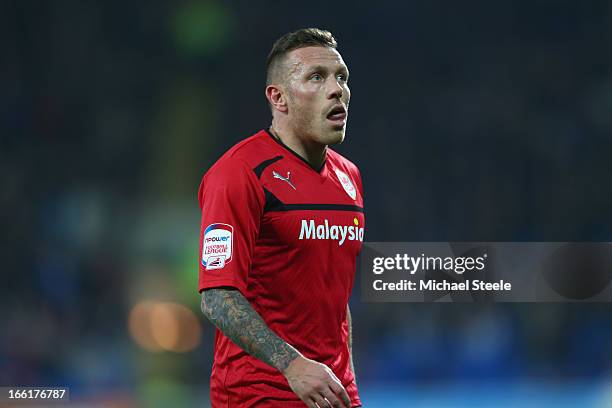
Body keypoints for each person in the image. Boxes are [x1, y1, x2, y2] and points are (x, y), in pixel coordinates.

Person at [198, 28, 364, 408]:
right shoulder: (238, 173)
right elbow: (217, 296)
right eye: (316, 77)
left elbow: (334, 298)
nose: (337, 88)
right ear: (279, 98)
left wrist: (348, 382)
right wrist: (292, 365)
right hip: (260, 394)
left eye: (341, 77)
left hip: (333, 393)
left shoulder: (349, 177)